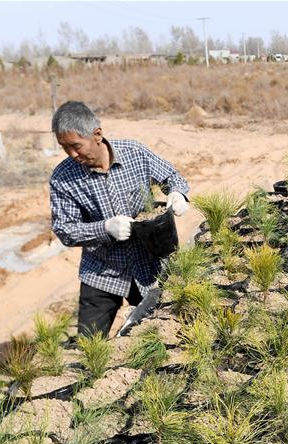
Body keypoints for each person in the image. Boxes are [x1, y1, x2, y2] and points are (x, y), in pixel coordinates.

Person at [49, 101, 190, 336]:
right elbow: (64, 229)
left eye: (76, 146)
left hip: (150, 264)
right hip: (101, 271)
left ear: (97, 135)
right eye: (64, 148)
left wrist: (177, 193)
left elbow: (172, 176)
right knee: (89, 346)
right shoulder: (63, 178)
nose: (72, 154)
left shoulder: (134, 153)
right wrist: (104, 229)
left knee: (163, 331)